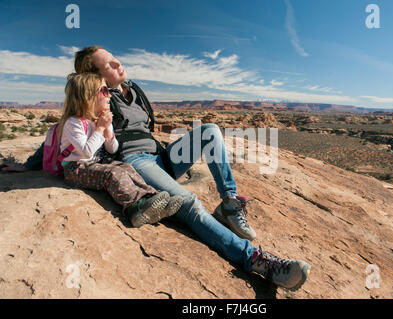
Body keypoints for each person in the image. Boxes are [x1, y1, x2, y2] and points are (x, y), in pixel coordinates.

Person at [2, 46, 311, 291]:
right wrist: (28, 164)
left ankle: (230, 203)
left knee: (210, 131)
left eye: (115, 59)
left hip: (161, 157)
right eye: (108, 64)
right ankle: (257, 261)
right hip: (137, 163)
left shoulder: (133, 89)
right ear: (93, 76)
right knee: (190, 203)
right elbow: (64, 126)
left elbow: (147, 128)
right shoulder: (99, 99)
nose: (118, 63)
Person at [58, 72, 182, 227]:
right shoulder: (74, 122)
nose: (109, 95)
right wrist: (100, 128)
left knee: (126, 167)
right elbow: (86, 152)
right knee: (113, 173)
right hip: (75, 169)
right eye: (104, 91)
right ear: (87, 97)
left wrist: (108, 133)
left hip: (96, 163)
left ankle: (153, 199)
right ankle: (133, 208)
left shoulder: (100, 119)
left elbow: (112, 149)